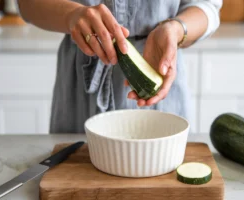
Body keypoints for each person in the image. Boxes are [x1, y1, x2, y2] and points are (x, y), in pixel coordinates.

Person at [17, 0, 223, 133]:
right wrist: (72, 15)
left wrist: (176, 29)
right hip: (78, 91)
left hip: (159, 69)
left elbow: (207, 6)